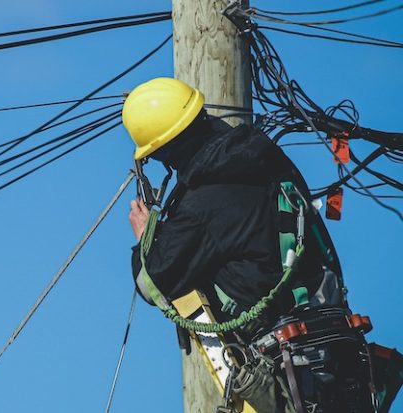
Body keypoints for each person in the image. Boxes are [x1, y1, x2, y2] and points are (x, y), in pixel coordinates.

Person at [122, 77, 380, 413]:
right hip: (343, 352)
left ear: (165, 152)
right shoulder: (269, 160)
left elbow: (154, 281)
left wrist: (146, 238)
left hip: (288, 367)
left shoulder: (203, 201)